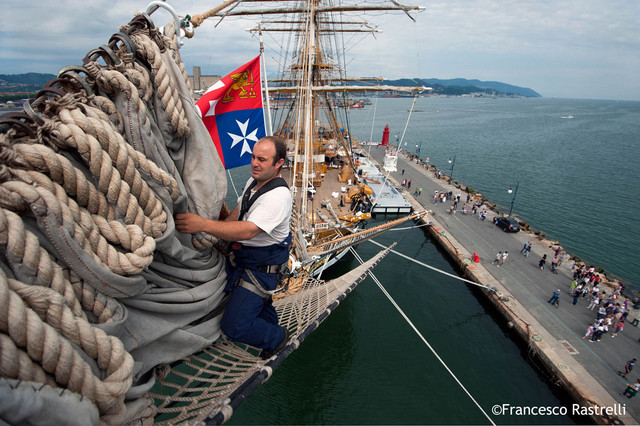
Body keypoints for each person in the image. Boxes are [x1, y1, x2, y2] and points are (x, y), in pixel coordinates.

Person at [175, 136, 291, 357]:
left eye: (263, 160)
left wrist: (203, 225)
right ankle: (270, 330)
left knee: (234, 326)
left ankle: (277, 339)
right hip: (244, 260)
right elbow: (240, 212)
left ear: (278, 164)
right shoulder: (253, 183)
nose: (255, 163)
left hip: (260, 270)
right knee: (258, 305)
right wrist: (218, 234)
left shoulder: (278, 197)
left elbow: (248, 230)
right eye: (253, 157)